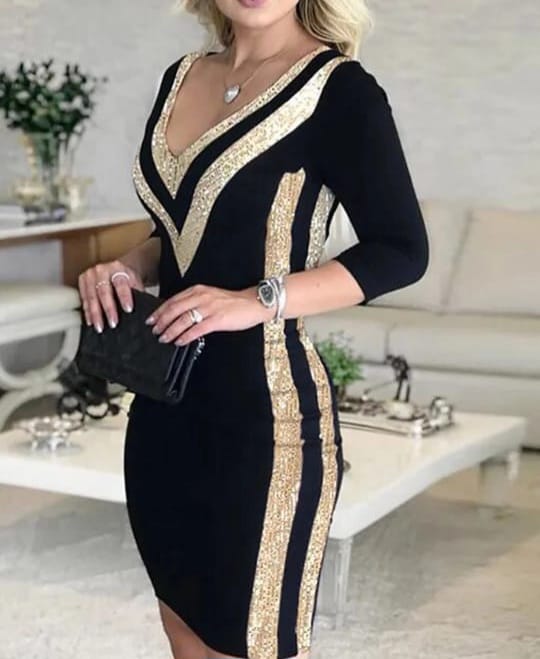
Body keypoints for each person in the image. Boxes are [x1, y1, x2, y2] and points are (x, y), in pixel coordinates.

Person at [77, 1, 429, 657]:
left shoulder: (340, 91)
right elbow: (183, 232)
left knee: (251, 643)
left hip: (265, 421)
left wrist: (257, 299)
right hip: (162, 410)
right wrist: (128, 266)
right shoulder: (181, 76)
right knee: (183, 630)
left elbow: (402, 250)